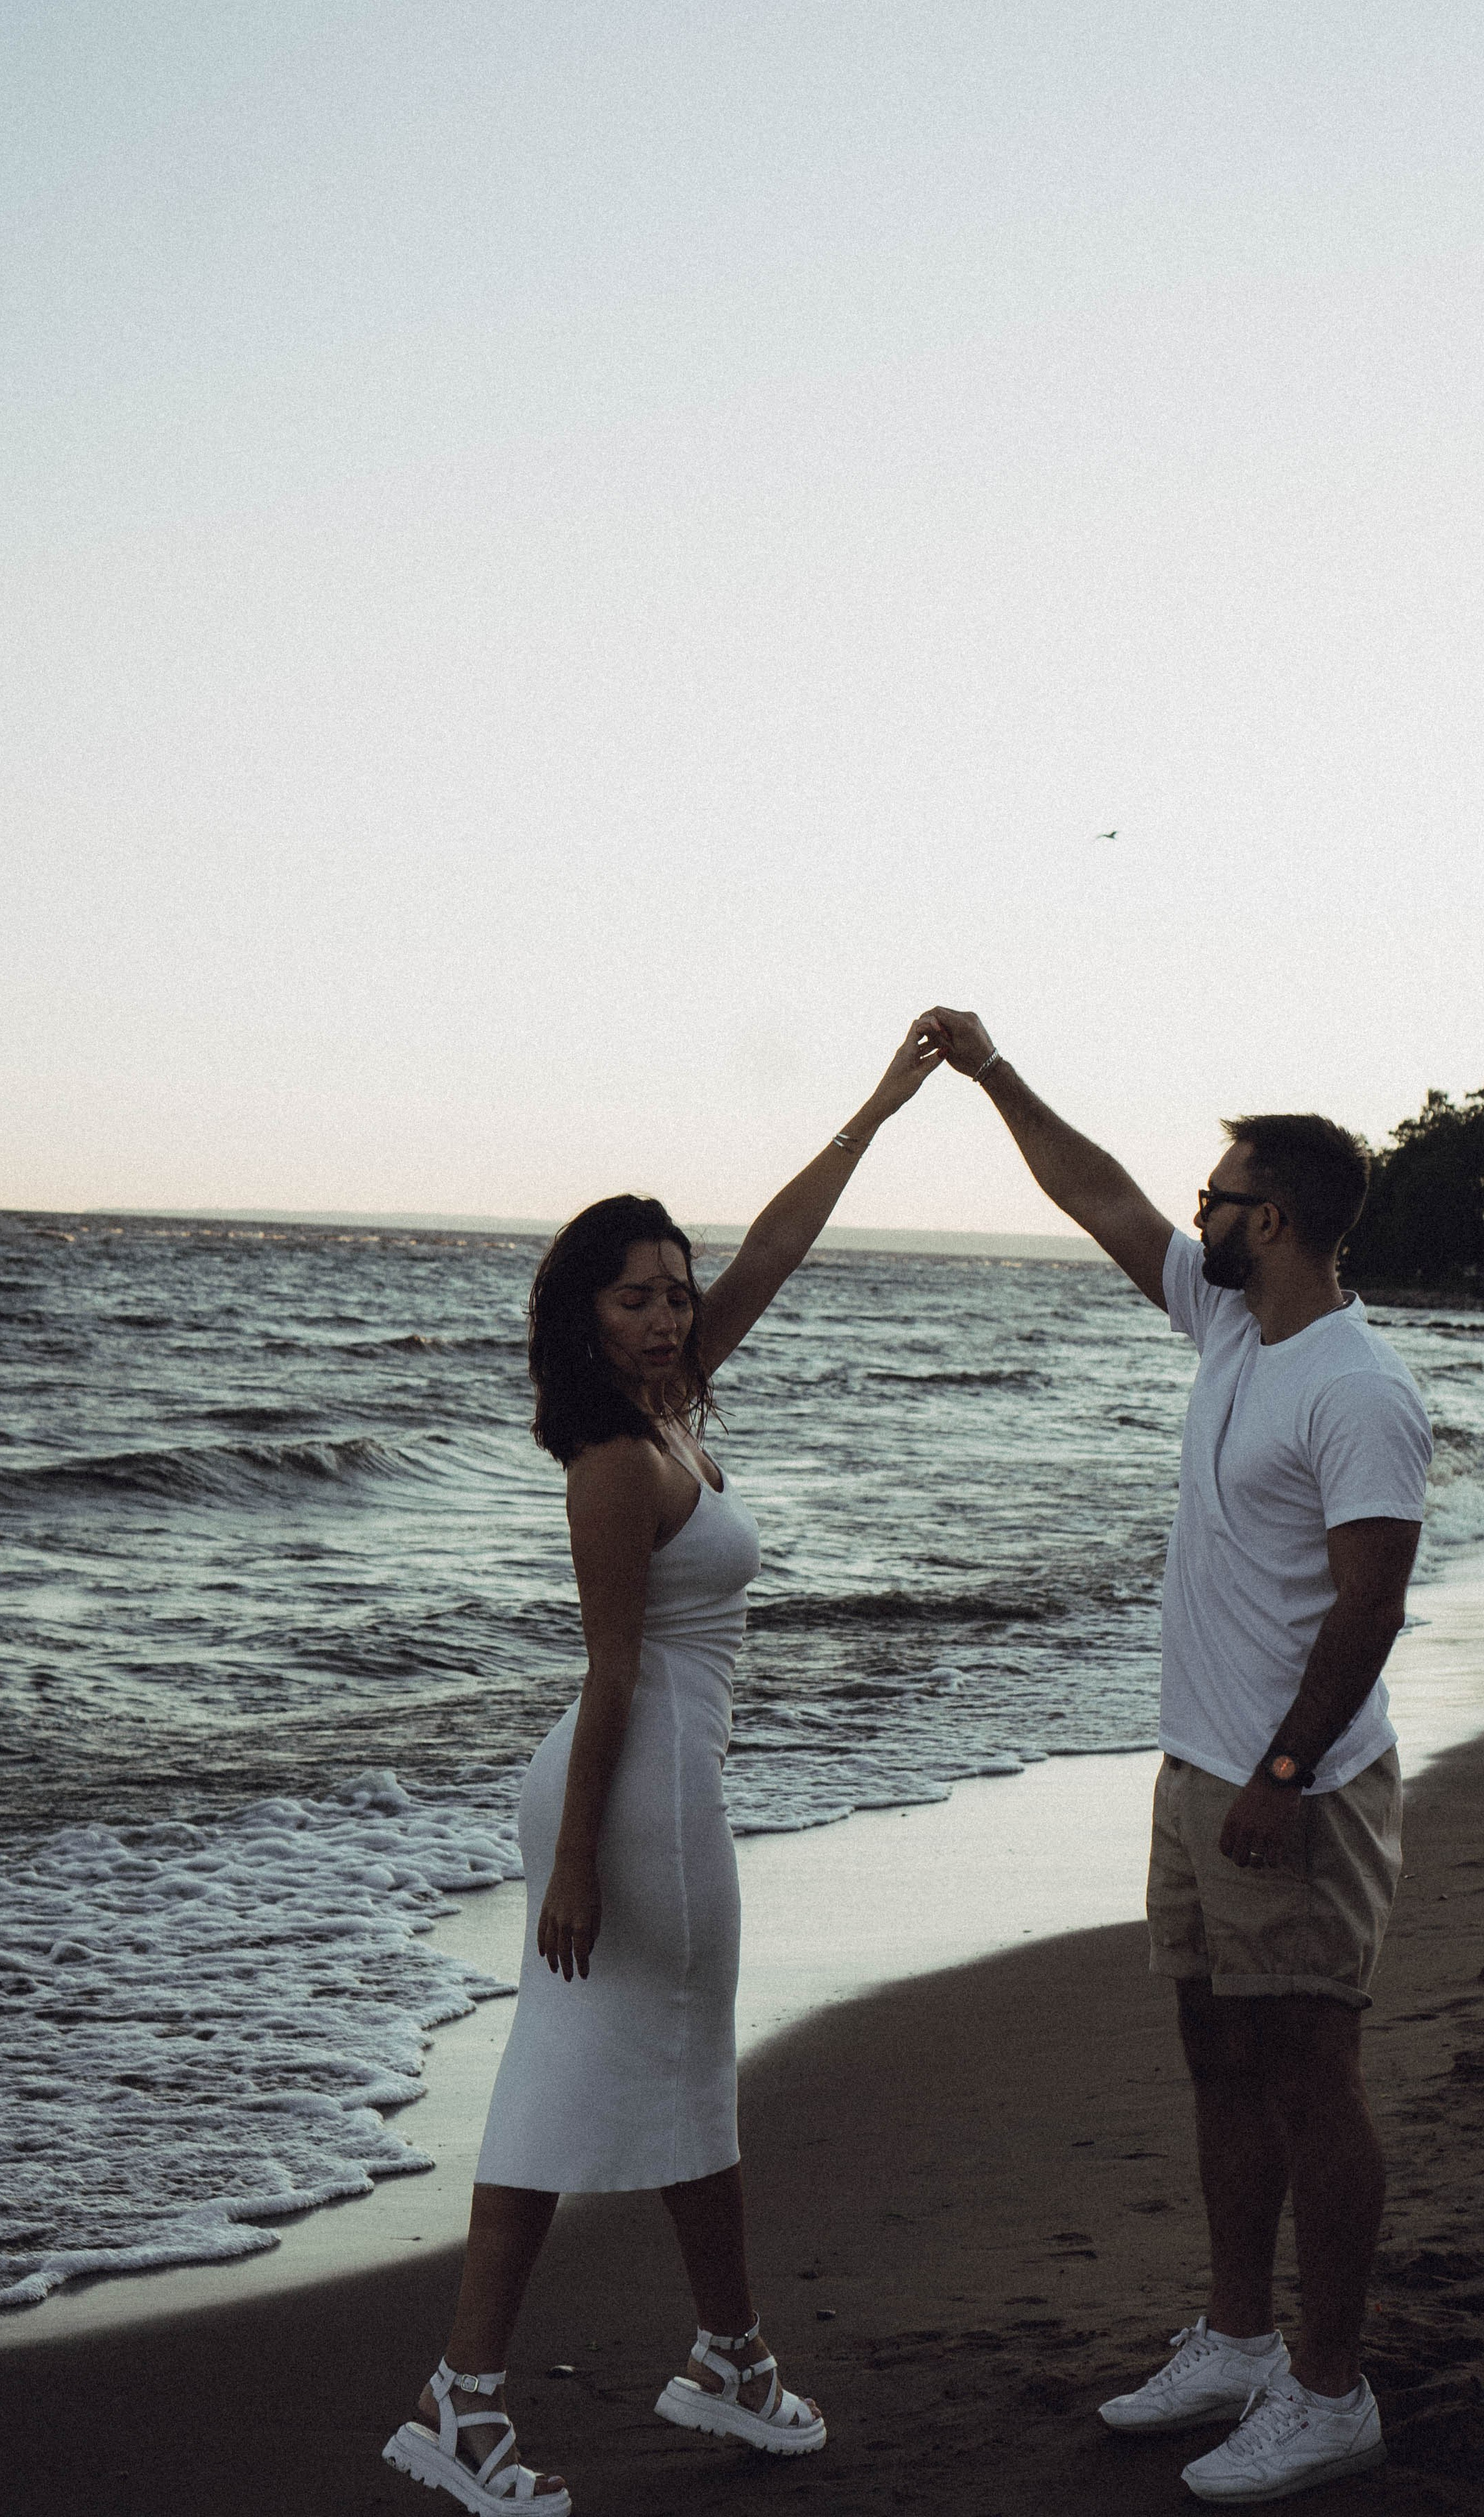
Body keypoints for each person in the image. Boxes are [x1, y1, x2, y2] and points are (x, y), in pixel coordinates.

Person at [384, 1021, 941, 2515]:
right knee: (571, 2079)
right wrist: (574, 1863)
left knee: (682, 2069)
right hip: (629, 1796)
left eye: (675, 1293)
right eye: (636, 1297)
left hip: (655, 1786)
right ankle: (469, 2400)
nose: (667, 1313)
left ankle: (725, 2357)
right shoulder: (615, 1464)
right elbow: (612, 1669)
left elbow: (774, 1247)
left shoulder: (670, 1406)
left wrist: (877, 1109)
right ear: (581, 1314)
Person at [923, 1007, 1431, 2506]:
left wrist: (1280, 1780)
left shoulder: (1356, 1388)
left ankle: (1327, 2392)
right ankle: (1230, 2339)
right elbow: (1093, 1196)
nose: (1189, 1212)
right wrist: (993, 1073)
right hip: (1199, 1771)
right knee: (1218, 2061)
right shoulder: (1229, 1327)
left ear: (1266, 1220)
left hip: (1300, 1787)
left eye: (1212, 1196)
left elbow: (1371, 1605)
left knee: (1308, 2075)